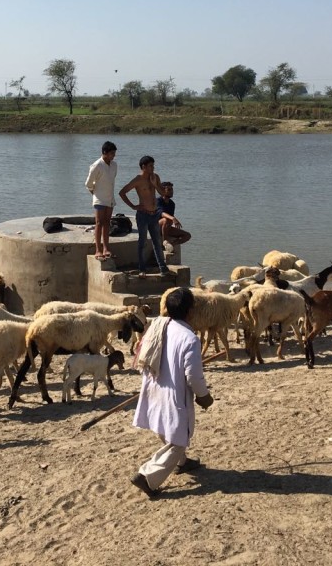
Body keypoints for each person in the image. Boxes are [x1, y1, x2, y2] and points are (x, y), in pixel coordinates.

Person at [131, 286, 213, 497]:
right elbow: (193, 375)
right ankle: (148, 477)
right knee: (179, 438)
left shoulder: (158, 325)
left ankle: (182, 462)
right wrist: (203, 396)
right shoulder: (189, 338)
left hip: (154, 387)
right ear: (191, 311)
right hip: (175, 395)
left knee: (165, 427)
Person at [119, 155, 169, 275]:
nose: (153, 168)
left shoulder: (155, 177)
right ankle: (142, 269)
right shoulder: (138, 179)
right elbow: (122, 192)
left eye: (153, 165)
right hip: (143, 215)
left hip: (154, 214)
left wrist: (155, 184)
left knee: (157, 242)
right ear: (143, 167)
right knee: (142, 242)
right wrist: (133, 206)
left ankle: (163, 268)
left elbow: (163, 193)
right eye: (151, 166)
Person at [84, 141, 118, 260]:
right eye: (111, 153)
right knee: (99, 223)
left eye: (114, 153)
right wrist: (94, 193)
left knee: (107, 223)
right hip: (99, 199)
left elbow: (112, 180)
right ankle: (98, 249)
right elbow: (88, 183)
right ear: (104, 153)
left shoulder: (114, 165)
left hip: (110, 198)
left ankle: (106, 248)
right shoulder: (97, 165)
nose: (113, 156)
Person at [156, 181, 191, 248]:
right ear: (162, 191)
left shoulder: (172, 204)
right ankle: (164, 243)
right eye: (169, 190)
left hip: (166, 227)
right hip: (155, 226)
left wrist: (173, 220)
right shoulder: (158, 201)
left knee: (187, 235)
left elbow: (170, 217)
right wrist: (173, 218)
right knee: (166, 220)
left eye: (172, 189)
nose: (171, 191)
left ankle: (171, 245)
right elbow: (161, 213)